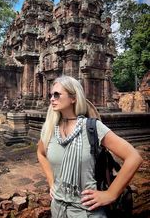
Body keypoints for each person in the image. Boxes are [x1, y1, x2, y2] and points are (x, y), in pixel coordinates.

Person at [37, 75, 143, 218]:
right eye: (51, 95)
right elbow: (41, 154)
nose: (51, 99)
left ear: (73, 98)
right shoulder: (50, 129)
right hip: (58, 209)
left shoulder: (92, 127)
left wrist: (111, 193)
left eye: (57, 94)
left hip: (87, 211)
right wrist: (51, 182)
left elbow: (134, 157)